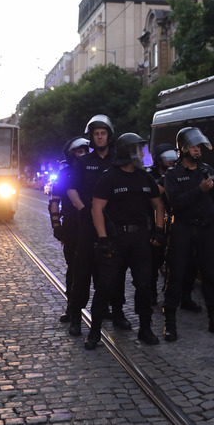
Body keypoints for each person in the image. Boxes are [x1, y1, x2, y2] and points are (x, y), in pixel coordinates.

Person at [85, 132, 167, 349]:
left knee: (143, 285)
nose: (141, 153)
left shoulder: (144, 177)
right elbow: (97, 208)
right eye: (138, 149)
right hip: (115, 239)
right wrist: (102, 238)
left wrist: (159, 229)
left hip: (140, 239)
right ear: (127, 152)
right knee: (105, 286)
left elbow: (158, 203)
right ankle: (94, 332)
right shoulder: (109, 177)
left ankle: (145, 328)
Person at [162, 127, 214, 342]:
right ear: (182, 149)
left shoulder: (207, 170)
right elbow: (175, 203)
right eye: (193, 146)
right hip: (183, 227)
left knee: (210, 274)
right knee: (176, 274)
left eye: (199, 146)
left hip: (206, 228)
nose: (197, 150)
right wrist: (198, 190)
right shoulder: (173, 175)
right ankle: (170, 323)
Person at [65, 115, 129, 337]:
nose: (100, 137)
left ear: (109, 136)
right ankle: (75, 317)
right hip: (88, 225)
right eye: (96, 134)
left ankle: (118, 312)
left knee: (116, 272)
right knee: (82, 271)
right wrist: (84, 210)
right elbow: (71, 189)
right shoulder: (83, 162)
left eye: (103, 133)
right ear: (91, 137)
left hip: (113, 226)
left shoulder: (118, 161)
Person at [148, 144, 201, 311]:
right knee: (153, 263)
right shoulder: (150, 175)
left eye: (172, 157)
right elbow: (151, 193)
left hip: (177, 224)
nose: (170, 161)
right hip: (155, 224)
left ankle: (185, 297)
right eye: (166, 158)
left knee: (186, 264)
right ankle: (151, 295)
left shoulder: (180, 172)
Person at [48, 135, 89, 323]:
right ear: (71, 154)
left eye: (85, 151)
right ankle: (72, 307)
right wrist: (57, 226)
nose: (83, 154)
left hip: (94, 224)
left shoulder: (94, 170)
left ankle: (107, 307)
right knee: (74, 268)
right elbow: (54, 203)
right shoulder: (64, 175)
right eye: (79, 151)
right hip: (73, 225)